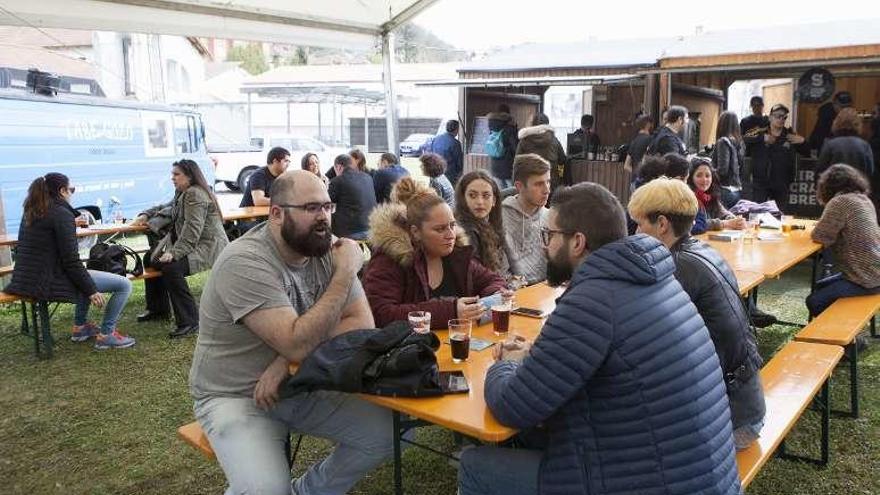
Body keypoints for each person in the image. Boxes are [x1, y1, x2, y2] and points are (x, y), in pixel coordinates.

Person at [457, 182, 741, 495]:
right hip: (701, 476)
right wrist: (538, 358)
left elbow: (511, 406)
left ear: (577, 242)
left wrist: (506, 364)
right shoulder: (655, 279)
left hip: (651, 480)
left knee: (476, 465)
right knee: (537, 433)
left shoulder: (593, 299)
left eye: (548, 236)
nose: (544, 246)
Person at [190, 169, 397, 495]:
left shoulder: (325, 248)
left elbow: (360, 323)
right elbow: (296, 344)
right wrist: (345, 272)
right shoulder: (245, 261)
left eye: (328, 207)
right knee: (266, 491)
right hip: (236, 396)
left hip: (299, 382)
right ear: (276, 213)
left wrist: (284, 364)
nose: (324, 218)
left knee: (389, 432)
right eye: (311, 208)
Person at [629, 177, 766, 450]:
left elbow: (642, 344)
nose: (633, 232)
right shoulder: (705, 252)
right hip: (746, 401)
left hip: (729, 422)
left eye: (639, 223)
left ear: (662, 224)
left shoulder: (672, 269)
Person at [6, 173, 135, 349]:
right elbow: (71, 262)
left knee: (84, 276)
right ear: (62, 191)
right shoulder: (60, 214)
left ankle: (80, 328)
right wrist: (91, 290)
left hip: (25, 279)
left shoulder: (34, 209)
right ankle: (107, 335)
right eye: (71, 190)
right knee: (124, 285)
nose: (72, 193)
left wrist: (69, 222)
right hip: (47, 281)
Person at [363, 183, 507, 329]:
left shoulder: (456, 254)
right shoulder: (389, 259)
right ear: (416, 232)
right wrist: (450, 311)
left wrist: (495, 296)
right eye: (440, 229)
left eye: (452, 225)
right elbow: (382, 314)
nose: (451, 235)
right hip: (409, 348)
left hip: (455, 342)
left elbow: (493, 280)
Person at [133, 160, 228, 338]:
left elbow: (192, 230)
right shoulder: (183, 191)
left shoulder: (195, 194)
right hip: (196, 243)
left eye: (176, 174)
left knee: (171, 268)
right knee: (150, 259)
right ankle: (158, 310)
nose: (172, 178)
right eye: (173, 174)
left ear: (190, 176)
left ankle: (190, 321)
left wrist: (174, 253)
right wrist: (146, 214)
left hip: (209, 246)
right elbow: (167, 208)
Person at [806, 164, 880, 317]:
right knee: (820, 286)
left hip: (866, 280)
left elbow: (820, 236)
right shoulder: (863, 199)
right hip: (873, 271)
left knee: (815, 301)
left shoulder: (840, 202)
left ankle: (849, 340)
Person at [454, 170, 515, 279]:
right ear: (463, 198)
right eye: (472, 195)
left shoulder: (491, 224)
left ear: (494, 201)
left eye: (486, 196)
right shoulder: (465, 232)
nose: (480, 202)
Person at [503, 154, 551, 285]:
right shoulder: (501, 218)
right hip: (513, 295)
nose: (547, 190)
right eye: (539, 184)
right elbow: (499, 273)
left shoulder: (551, 217)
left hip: (547, 292)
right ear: (519, 186)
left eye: (548, 182)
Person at [750, 103, 805, 211]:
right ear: (770, 117)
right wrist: (762, 138)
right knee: (757, 214)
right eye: (778, 116)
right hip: (761, 181)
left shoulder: (790, 134)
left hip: (782, 182)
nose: (781, 119)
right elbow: (744, 137)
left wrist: (803, 141)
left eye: (784, 117)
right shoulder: (759, 131)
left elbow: (807, 151)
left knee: (779, 215)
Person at [816, 107, 875, 181]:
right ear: (858, 123)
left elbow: (820, 169)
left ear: (836, 122)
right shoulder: (864, 145)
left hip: (834, 187)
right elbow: (870, 171)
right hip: (857, 187)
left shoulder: (830, 144)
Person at [516, 113, 567, 197]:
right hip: (551, 181)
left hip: (530, 182)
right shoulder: (554, 140)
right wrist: (561, 177)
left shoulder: (524, 140)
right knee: (550, 208)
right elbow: (562, 160)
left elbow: (517, 163)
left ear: (532, 124)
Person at [688, 158, 748, 231]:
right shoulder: (688, 197)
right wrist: (724, 223)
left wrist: (736, 221)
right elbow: (694, 224)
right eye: (699, 175)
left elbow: (724, 213)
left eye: (707, 176)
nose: (704, 179)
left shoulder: (711, 196)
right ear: (691, 178)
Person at [327, 153, 377, 241]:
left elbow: (326, 202)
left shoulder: (338, 180)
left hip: (350, 232)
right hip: (371, 228)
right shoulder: (368, 177)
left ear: (338, 167)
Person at [714, 111, 746, 208]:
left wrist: (709, 172)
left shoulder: (723, 142)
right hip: (737, 189)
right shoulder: (739, 142)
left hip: (725, 189)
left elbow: (723, 169)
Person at [487, 104, 519, 188]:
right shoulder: (509, 128)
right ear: (508, 113)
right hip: (508, 166)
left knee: (500, 193)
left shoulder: (491, 127)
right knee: (512, 192)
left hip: (495, 165)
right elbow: (515, 147)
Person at [430, 119, 464, 185]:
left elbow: (431, 154)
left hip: (435, 173)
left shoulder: (436, 139)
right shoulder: (455, 143)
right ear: (457, 129)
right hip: (449, 176)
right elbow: (459, 163)